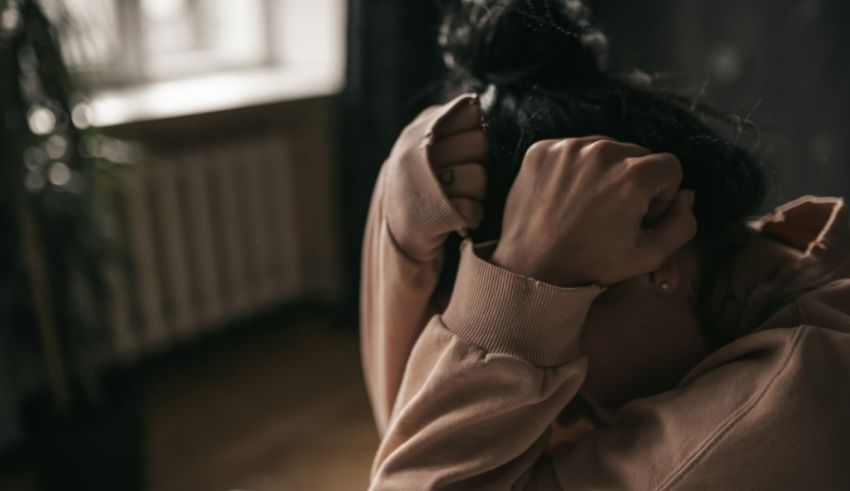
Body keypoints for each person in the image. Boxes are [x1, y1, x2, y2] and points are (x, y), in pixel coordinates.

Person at [360, 0, 850, 488]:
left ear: (655, 257)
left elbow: (417, 468)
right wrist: (403, 241)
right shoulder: (788, 277)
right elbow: (420, 434)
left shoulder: (770, 412)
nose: (561, 410)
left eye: (559, 322)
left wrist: (526, 290)